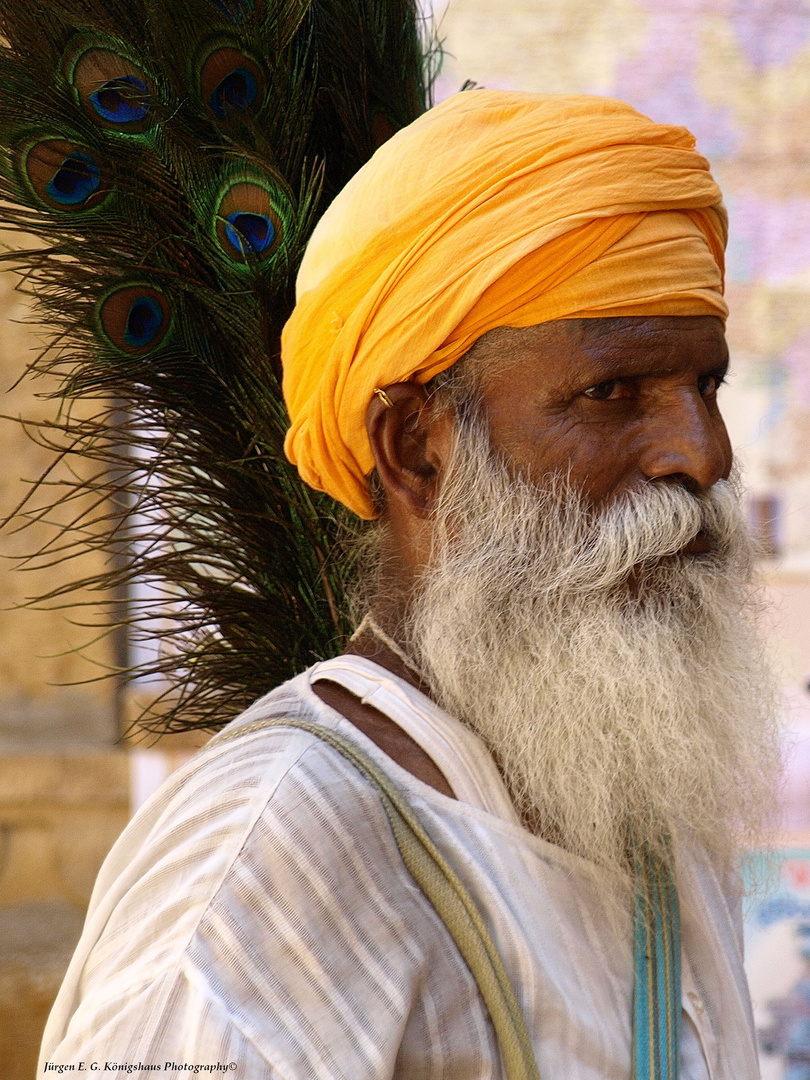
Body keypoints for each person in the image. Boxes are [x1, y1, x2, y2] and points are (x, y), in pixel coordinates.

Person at [38, 91, 781, 1078]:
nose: (702, 454)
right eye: (612, 393)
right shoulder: (267, 852)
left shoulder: (648, 819)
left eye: (706, 388)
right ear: (416, 451)